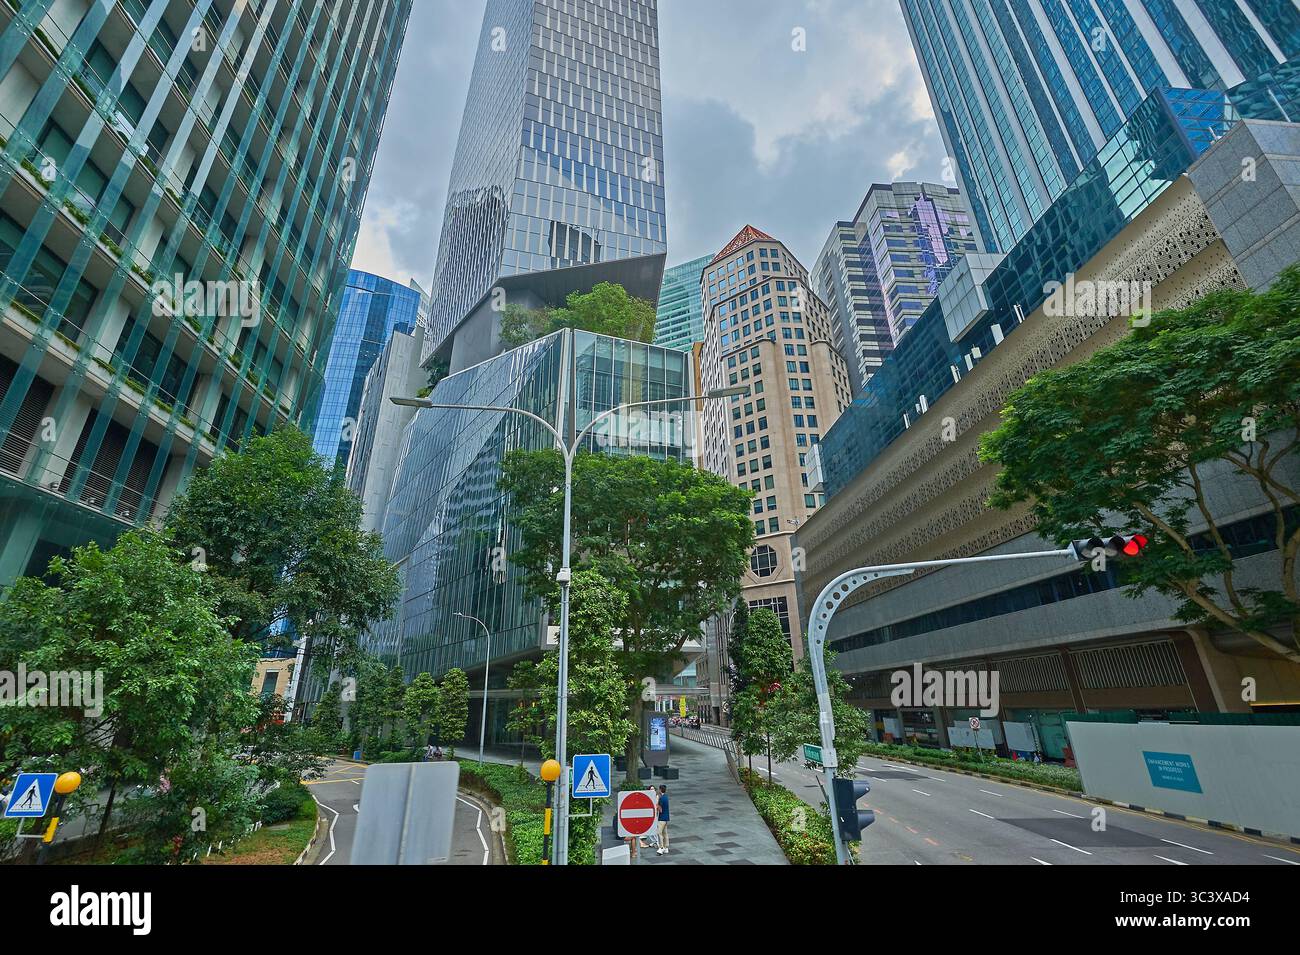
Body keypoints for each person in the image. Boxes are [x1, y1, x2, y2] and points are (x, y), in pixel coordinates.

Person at [655, 784, 670, 855]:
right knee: (665, 833)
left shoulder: (661, 798)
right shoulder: (666, 797)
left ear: (660, 790)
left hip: (661, 818)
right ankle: (666, 847)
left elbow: (660, 810)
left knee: (659, 833)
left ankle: (661, 848)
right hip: (666, 818)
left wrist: (657, 804)